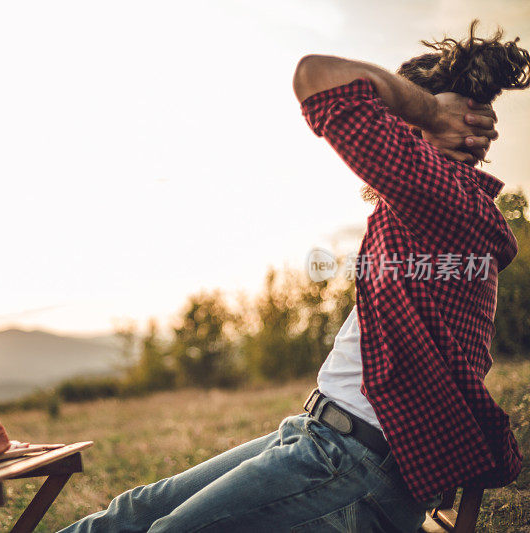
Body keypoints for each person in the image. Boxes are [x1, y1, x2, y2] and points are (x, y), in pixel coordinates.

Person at [59, 20, 529, 532]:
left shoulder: (443, 196)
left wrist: (428, 109)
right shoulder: (434, 205)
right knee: (135, 510)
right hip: (321, 436)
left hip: (354, 463)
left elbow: (319, 78)